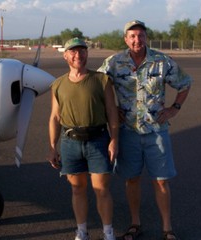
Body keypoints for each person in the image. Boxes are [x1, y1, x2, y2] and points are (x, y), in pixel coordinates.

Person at [98, 20, 192, 240]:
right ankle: (135, 223)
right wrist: (110, 110)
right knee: (131, 179)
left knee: (161, 180)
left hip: (156, 130)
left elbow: (185, 82)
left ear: (146, 38)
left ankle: (167, 228)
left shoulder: (161, 61)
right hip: (128, 131)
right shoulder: (114, 62)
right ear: (125, 39)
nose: (136, 40)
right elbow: (97, 85)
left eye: (140, 36)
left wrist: (174, 108)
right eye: (132, 36)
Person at [47, 37, 119, 240]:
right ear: (66, 56)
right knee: (77, 189)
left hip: (98, 140)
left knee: (101, 189)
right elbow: (54, 117)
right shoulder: (58, 85)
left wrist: (115, 140)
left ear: (87, 54)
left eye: (82, 51)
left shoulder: (101, 79)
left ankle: (108, 233)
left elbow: (112, 112)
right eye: (73, 51)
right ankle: (82, 231)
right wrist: (52, 146)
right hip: (70, 142)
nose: (78, 55)